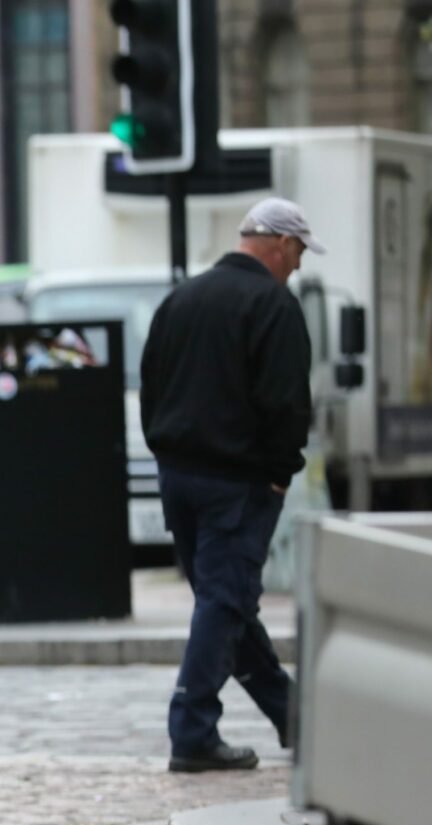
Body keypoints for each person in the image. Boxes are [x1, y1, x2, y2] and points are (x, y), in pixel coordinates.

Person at [139, 197, 314, 772]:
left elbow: (150, 385)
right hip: (238, 483)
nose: (299, 265)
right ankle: (191, 730)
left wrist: (167, 453)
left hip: (178, 476)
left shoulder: (182, 298)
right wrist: (280, 475)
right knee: (224, 599)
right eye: (299, 252)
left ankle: (296, 718)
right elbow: (286, 403)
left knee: (226, 601)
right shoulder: (273, 305)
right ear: (281, 245)